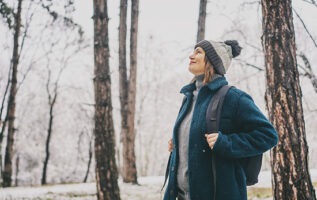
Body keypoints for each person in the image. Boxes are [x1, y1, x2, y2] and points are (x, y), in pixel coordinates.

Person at [163, 39, 278, 200]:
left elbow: (268, 135)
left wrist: (226, 142)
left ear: (213, 60)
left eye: (198, 52)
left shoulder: (233, 98)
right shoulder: (189, 97)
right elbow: (196, 138)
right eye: (193, 51)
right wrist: (179, 142)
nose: (191, 55)